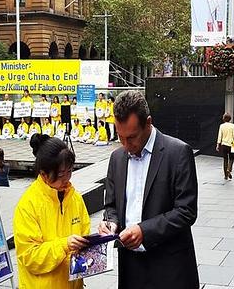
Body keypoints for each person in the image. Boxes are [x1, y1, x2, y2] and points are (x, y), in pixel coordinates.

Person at [98, 92, 200, 288]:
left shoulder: (178, 153)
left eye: (131, 137)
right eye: (120, 137)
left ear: (148, 123)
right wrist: (111, 223)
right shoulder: (117, 158)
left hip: (170, 267)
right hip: (130, 267)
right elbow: (111, 206)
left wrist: (144, 231)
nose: (126, 145)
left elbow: (186, 211)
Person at [14, 134, 90, 288]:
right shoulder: (28, 205)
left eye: (69, 171)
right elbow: (30, 257)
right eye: (61, 174)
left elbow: (85, 237)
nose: (66, 179)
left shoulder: (75, 198)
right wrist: (64, 245)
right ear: (44, 174)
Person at [216, 113, 234, 180]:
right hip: (231, 145)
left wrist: (218, 145)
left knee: (225, 159)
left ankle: (226, 175)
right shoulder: (232, 125)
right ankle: (229, 169)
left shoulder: (221, 126)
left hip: (224, 145)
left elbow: (219, 136)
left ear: (224, 119)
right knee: (232, 158)